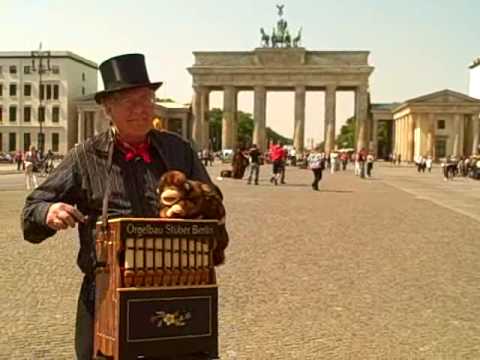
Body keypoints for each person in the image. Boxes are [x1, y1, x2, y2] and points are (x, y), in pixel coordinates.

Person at [21, 54, 229, 360]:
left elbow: (214, 204)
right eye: (129, 102)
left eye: (146, 100)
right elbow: (32, 208)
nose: (141, 109)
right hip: (107, 292)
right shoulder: (85, 156)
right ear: (108, 109)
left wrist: (195, 203)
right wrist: (49, 212)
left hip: (179, 287)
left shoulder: (178, 150)